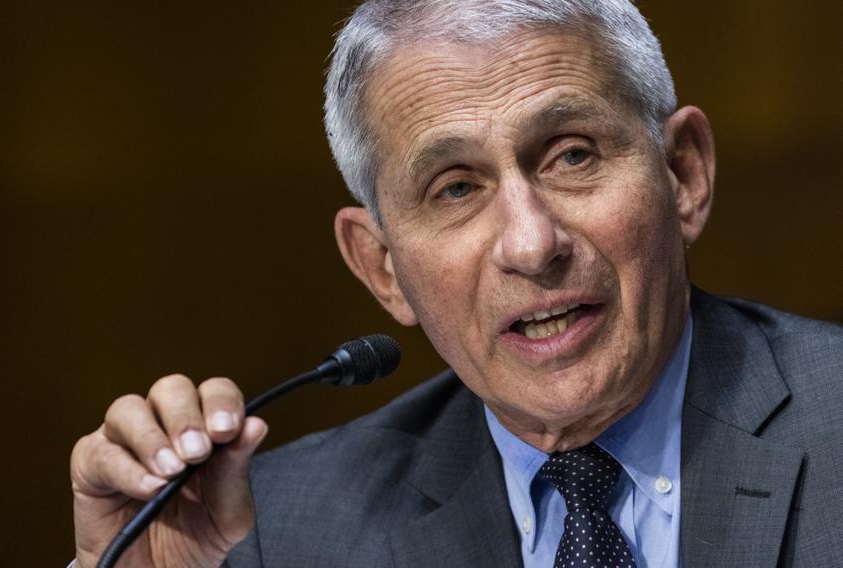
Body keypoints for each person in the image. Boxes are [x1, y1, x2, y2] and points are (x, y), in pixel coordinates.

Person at [69, 1, 843, 566]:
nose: (532, 243)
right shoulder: (271, 534)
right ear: (382, 270)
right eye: (455, 188)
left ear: (684, 175)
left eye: (571, 155)